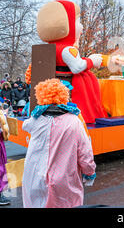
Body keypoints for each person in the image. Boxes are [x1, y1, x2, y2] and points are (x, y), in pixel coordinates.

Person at [22, 78, 96, 208]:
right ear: (64, 96)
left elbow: (26, 126)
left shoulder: (35, 120)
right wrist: (89, 172)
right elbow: (85, 152)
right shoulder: (74, 121)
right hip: (64, 179)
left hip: (33, 178)